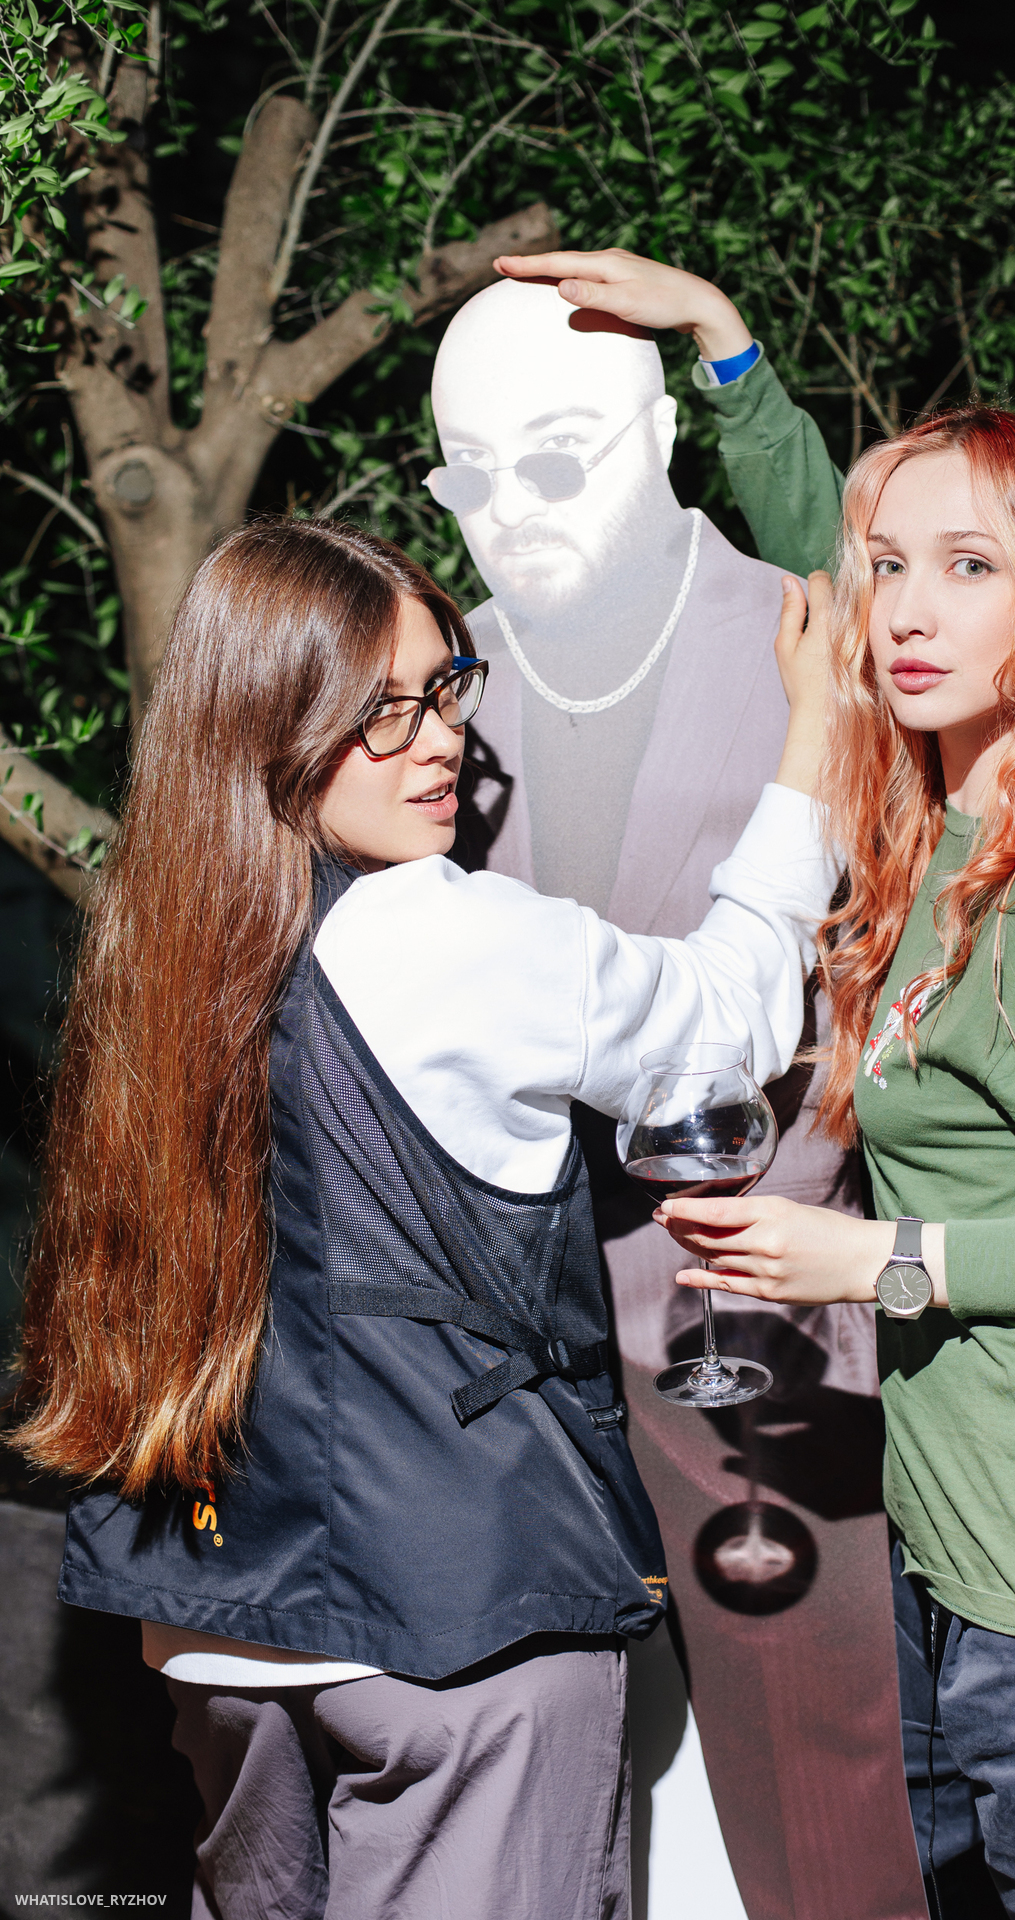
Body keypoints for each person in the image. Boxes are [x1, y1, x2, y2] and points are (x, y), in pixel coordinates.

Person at [504, 250, 1015, 1915]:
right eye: (888, 571)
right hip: (991, 1565)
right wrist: (723, 349)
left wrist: (882, 1261)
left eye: (971, 568)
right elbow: (838, 554)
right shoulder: (947, 829)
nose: (907, 610)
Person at [9, 516, 835, 1920]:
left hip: (215, 1627)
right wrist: (811, 740)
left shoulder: (155, 944)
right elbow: (726, 1018)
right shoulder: (439, 933)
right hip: (458, 1620)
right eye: (377, 711)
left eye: (447, 687)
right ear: (272, 721)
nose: (439, 739)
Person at [429, 278, 918, 1920]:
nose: (513, 505)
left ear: (653, 437)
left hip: (756, 1302)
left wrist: (725, 340)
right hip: (502, 1329)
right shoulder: (428, 691)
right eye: (471, 472)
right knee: (542, 1775)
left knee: (815, 1776)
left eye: (556, 457)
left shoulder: (805, 633)